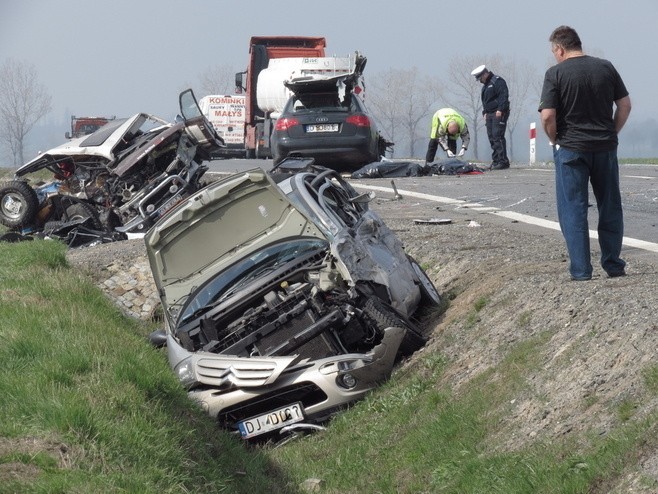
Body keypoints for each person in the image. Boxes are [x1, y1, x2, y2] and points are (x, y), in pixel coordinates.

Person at [538, 25, 631, 281]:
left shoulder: (555, 73)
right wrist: (612, 132)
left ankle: (581, 271)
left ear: (559, 48)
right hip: (604, 147)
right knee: (610, 206)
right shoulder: (605, 67)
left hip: (571, 148)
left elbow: (547, 115)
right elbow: (624, 105)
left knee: (574, 209)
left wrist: (555, 139)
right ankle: (613, 265)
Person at [471, 64, 510, 170]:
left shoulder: (497, 81)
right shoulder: (486, 86)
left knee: (498, 136)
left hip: (499, 112)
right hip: (490, 114)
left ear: (484, 74)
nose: (479, 81)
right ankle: (496, 160)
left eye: (480, 78)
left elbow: (503, 95)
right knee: (492, 137)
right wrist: (485, 112)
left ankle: (503, 161)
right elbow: (486, 101)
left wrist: (501, 109)